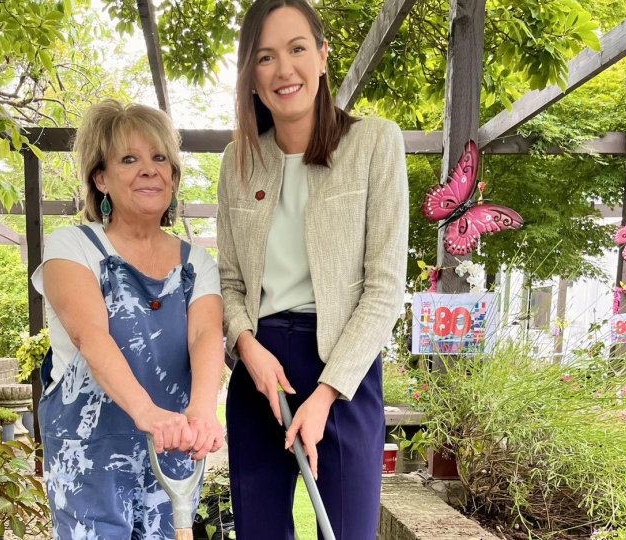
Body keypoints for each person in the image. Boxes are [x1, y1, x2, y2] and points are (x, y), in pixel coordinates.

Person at [217, 1, 409, 538]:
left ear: (323, 57)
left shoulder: (375, 143)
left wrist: (326, 394)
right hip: (260, 374)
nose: (284, 70)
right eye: (265, 57)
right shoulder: (238, 163)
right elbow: (228, 283)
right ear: (251, 78)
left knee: (346, 532)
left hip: (343, 371)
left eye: (298, 49)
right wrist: (246, 348)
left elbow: (385, 288)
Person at [32, 99, 225, 540]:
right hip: (89, 456)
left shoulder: (197, 263)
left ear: (174, 179)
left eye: (160, 159)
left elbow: (205, 334)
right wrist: (148, 413)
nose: (149, 169)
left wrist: (200, 412)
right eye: (129, 159)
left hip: (170, 453)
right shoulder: (73, 246)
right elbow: (90, 334)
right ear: (101, 178)